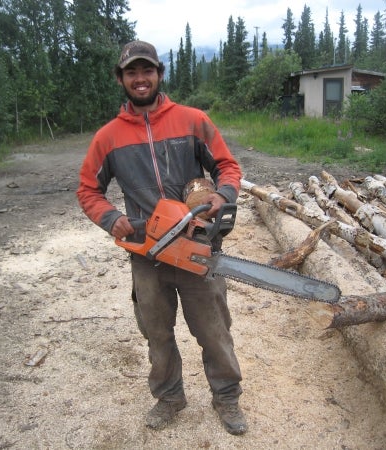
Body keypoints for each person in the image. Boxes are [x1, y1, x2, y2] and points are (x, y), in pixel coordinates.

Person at [77, 40, 247, 435]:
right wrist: (110, 217)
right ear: (121, 78)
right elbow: (88, 189)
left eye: (147, 70)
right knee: (156, 333)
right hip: (148, 253)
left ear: (159, 74)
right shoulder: (109, 137)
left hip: (195, 246)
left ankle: (226, 397)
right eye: (132, 72)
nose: (140, 79)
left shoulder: (192, 120)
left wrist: (223, 195)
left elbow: (227, 165)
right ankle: (170, 397)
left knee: (214, 330)